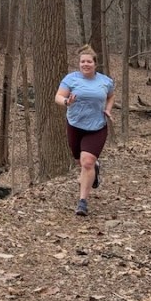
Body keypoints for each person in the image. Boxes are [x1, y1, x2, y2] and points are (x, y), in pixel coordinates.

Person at [55, 45, 115, 216]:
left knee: (86, 162)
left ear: (95, 64)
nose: (85, 64)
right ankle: (93, 169)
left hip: (97, 127)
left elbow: (111, 96)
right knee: (79, 161)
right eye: (82, 62)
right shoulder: (71, 79)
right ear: (79, 64)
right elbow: (58, 97)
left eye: (89, 61)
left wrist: (108, 109)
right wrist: (67, 102)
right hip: (75, 125)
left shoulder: (105, 81)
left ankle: (82, 202)